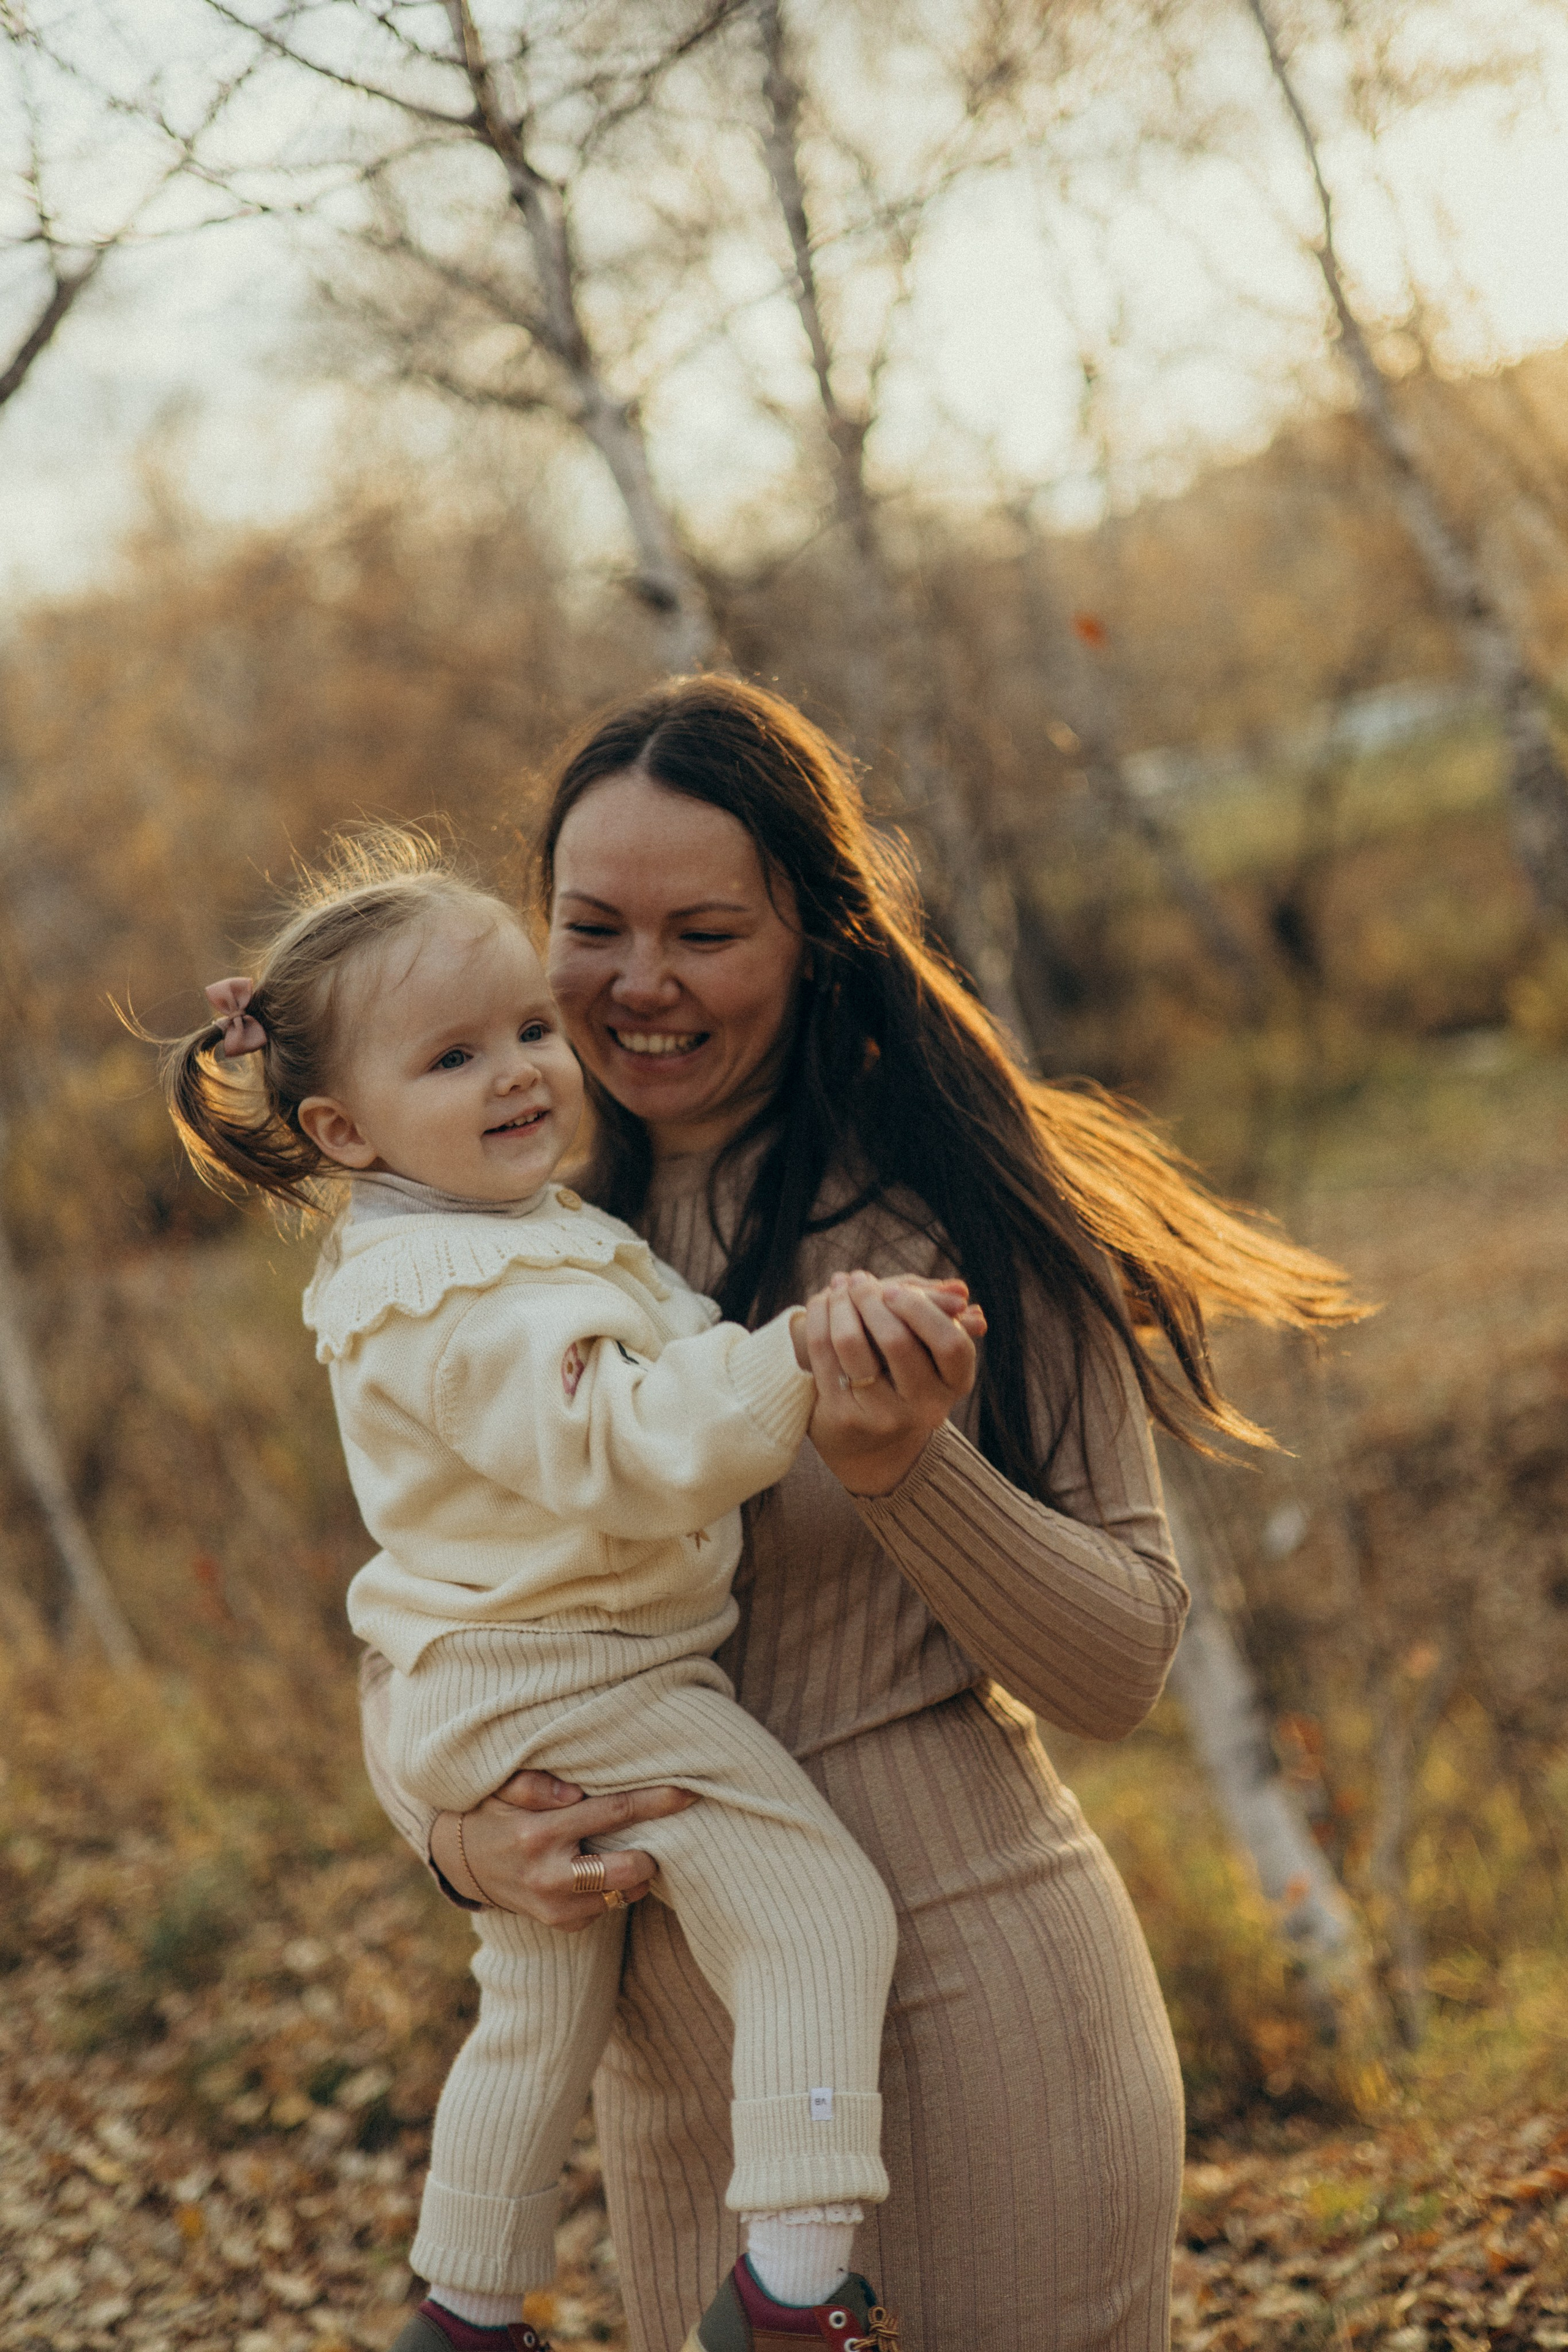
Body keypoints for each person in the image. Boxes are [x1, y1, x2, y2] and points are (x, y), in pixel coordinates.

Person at [360, 677, 1358, 2352]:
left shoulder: (949, 1217)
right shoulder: (498, 1244)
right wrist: (453, 1835)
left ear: (814, 937)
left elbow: (1121, 1667)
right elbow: (426, 1609)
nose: (639, 985)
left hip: (969, 2027)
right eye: (592, 927)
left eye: (705, 932)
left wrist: (910, 1473)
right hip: (678, 2089)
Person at [161, 832, 985, 2352]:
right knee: (816, 1917)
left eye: (529, 1029)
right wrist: (798, 1356)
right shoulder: (454, 1300)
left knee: (540, 2008)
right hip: (580, 1683)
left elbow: (662, 1337)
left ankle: (465, 2311)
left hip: (498, 1686)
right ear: (345, 1130)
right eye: (456, 1055)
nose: (520, 1071)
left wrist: (793, 1337)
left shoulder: (500, 1236)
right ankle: (795, 2293)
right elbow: (625, 1440)